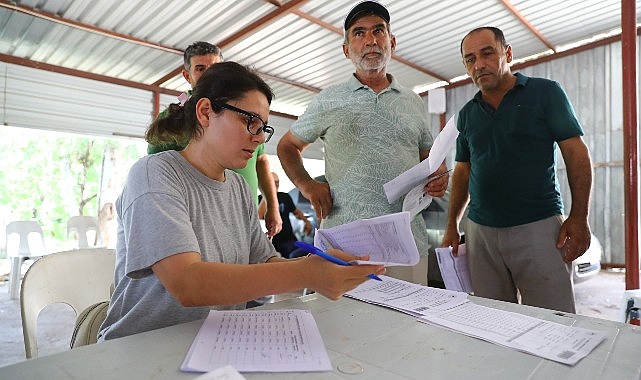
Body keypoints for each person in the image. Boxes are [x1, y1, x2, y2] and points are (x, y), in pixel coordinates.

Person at [98, 62, 385, 341]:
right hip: (141, 348)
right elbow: (187, 283)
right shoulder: (155, 174)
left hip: (216, 341)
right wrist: (307, 273)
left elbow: (264, 260)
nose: (260, 138)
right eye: (251, 122)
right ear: (206, 112)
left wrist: (321, 265)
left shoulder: (236, 187)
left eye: (264, 128)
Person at [277, 1, 448, 284]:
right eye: (359, 33)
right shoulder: (328, 100)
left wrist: (439, 174)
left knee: (409, 327)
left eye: (378, 31)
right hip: (346, 246)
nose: (370, 40)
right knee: (345, 326)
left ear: (392, 42)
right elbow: (286, 146)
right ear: (346, 50)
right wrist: (307, 185)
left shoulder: (413, 101)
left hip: (406, 243)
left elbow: (428, 154)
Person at [441, 26, 593, 313]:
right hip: (481, 233)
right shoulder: (467, 114)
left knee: (553, 321)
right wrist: (452, 224)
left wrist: (579, 216)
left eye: (487, 53)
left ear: (507, 53)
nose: (479, 64)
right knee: (493, 320)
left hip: (539, 227)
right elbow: (462, 171)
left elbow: (576, 152)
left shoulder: (545, 93)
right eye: (470, 59)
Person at [147, 41, 282, 237]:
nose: (259, 137)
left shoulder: (239, 187)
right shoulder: (171, 125)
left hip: (244, 216)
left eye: (216, 68)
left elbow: (261, 161)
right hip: (202, 223)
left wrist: (272, 204)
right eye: (200, 69)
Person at [258, 172, 312, 258]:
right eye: (272, 182)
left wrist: (306, 222)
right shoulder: (259, 199)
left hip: (289, 239)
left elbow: (296, 212)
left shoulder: (285, 196)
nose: (276, 185)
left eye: (277, 182)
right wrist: (268, 194)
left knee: (306, 251)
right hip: (272, 242)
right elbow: (259, 217)